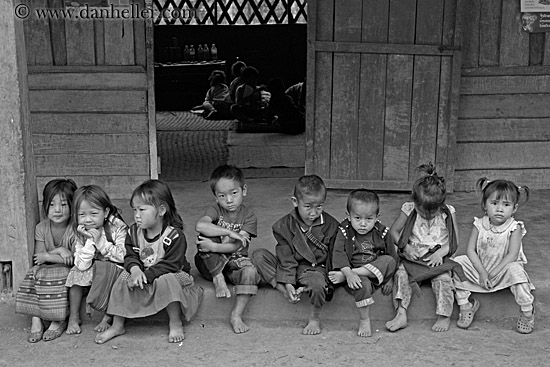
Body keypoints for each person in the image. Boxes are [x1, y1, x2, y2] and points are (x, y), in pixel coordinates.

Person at [95, 180, 203, 344]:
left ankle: (175, 322)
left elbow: (171, 265)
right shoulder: (133, 232)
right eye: (135, 209)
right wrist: (135, 271)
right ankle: (118, 325)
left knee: (167, 281)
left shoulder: (174, 236)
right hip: (144, 272)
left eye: (142, 209)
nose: (136, 215)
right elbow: (130, 256)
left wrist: (146, 275)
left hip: (174, 274)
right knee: (122, 279)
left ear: (161, 210)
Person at [251, 175, 339, 335]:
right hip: (291, 267)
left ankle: (314, 318)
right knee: (259, 256)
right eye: (308, 206)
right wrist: (288, 282)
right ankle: (284, 290)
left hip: (315, 270)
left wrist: (333, 277)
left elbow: (335, 255)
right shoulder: (283, 225)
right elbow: (285, 257)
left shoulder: (332, 225)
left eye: (319, 206)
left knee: (317, 283)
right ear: (295, 202)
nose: (313, 212)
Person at [385, 163, 463, 333]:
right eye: (422, 212)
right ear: (415, 202)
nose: (427, 216)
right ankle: (401, 313)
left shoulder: (448, 213)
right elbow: (394, 232)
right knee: (401, 275)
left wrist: (441, 254)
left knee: (443, 281)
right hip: (413, 260)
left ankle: (444, 315)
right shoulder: (408, 209)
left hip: (437, 261)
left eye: (432, 212)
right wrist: (405, 247)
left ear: (441, 205)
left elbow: (454, 241)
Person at [452, 178, 535, 333]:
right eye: (494, 203)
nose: (499, 209)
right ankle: (465, 305)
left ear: (514, 209)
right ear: (485, 205)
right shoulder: (479, 224)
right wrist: (483, 273)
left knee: (517, 272)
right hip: (480, 269)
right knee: (456, 263)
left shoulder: (514, 227)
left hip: (502, 270)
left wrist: (493, 273)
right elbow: (470, 250)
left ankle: (527, 311)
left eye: (506, 205)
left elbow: (512, 255)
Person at [194, 164, 262, 334]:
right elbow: (200, 225)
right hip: (209, 265)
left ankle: (237, 315)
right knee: (205, 237)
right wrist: (230, 232)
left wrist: (215, 246)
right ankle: (218, 279)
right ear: (216, 197)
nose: (229, 200)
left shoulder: (249, 216)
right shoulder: (215, 210)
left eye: (234, 193)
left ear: (244, 190)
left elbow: (238, 245)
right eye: (222, 196)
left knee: (251, 272)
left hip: (234, 263)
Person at [328, 189, 398, 337]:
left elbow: (391, 256)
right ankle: (364, 319)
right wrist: (349, 273)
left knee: (389, 260)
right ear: (348, 216)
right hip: (353, 277)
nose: (363, 224)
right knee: (363, 284)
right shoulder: (344, 230)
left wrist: (390, 279)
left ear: (377, 217)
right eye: (358, 218)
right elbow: (339, 253)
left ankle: (350, 274)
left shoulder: (382, 232)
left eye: (369, 219)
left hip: (373, 273)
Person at [16, 179, 78, 342]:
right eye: (52, 204)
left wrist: (49, 256)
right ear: (45, 206)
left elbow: (72, 260)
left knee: (61, 274)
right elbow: (38, 257)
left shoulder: (74, 228)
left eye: (64, 205)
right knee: (34, 272)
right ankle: (36, 318)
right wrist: (59, 250)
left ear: (72, 207)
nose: (57, 210)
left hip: (67, 271)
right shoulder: (41, 227)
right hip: (47, 269)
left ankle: (58, 320)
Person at [65, 185, 128, 335]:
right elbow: (80, 265)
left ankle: (107, 316)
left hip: (114, 267)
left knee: (112, 274)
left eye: (93, 213)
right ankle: (73, 317)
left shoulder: (117, 227)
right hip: (92, 267)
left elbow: (122, 255)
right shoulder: (80, 230)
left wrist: (100, 241)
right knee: (75, 273)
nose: (88, 220)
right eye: (81, 214)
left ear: (105, 212)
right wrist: (89, 241)